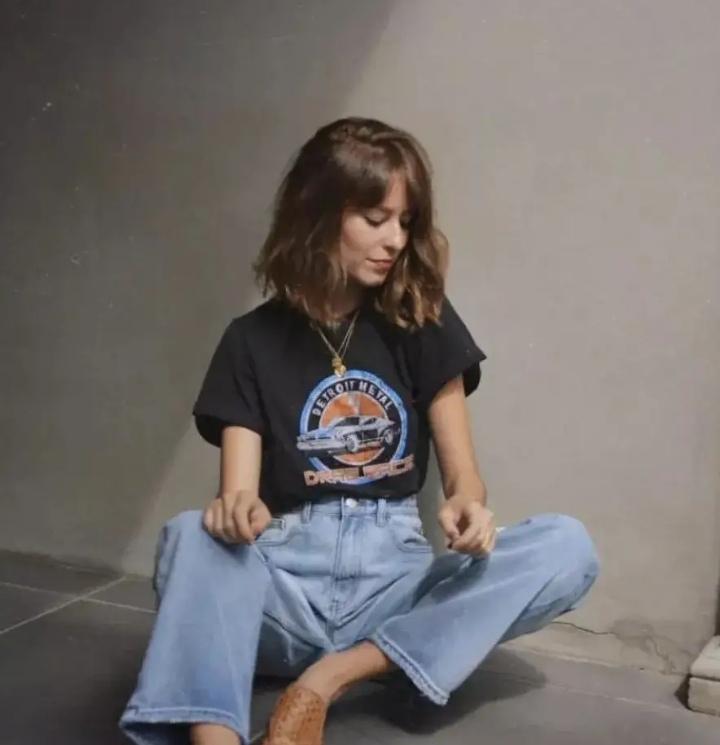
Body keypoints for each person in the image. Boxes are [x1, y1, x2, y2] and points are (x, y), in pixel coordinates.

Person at [119, 117, 599, 745]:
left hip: (393, 595)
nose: (395, 239)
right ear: (318, 214)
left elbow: (465, 479)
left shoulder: (421, 320)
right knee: (191, 534)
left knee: (566, 545)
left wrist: (468, 507)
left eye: (405, 221)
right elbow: (237, 494)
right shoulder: (250, 341)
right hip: (283, 596)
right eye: (375, 219)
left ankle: (331, 679)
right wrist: (237, 508)